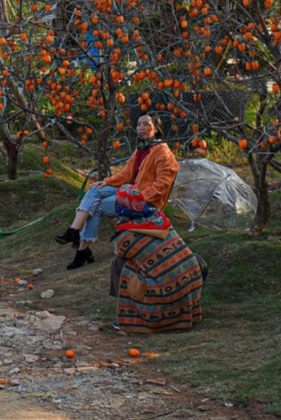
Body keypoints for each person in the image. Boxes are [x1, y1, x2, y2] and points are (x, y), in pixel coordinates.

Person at [56, 113, 179, 270]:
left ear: (156, 129)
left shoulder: (163, 152)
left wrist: (140, 198)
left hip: (144, 200)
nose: (141, 127)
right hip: (129, 191)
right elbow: (126, 174)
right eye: (139, 124)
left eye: (146, 124)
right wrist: (107, 181)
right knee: (95, 189)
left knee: (98, 207)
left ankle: (82, 250)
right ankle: (73, 231)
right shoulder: (141, 149)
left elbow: (162, 184)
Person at [103, 183, 206, 334]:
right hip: (191, 283)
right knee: (183, 259)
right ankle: (186, 309)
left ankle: (125, 312)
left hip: (167, 294)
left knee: (119, 263)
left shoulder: (125, 237)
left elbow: (120, 253)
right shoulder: (160, 217)